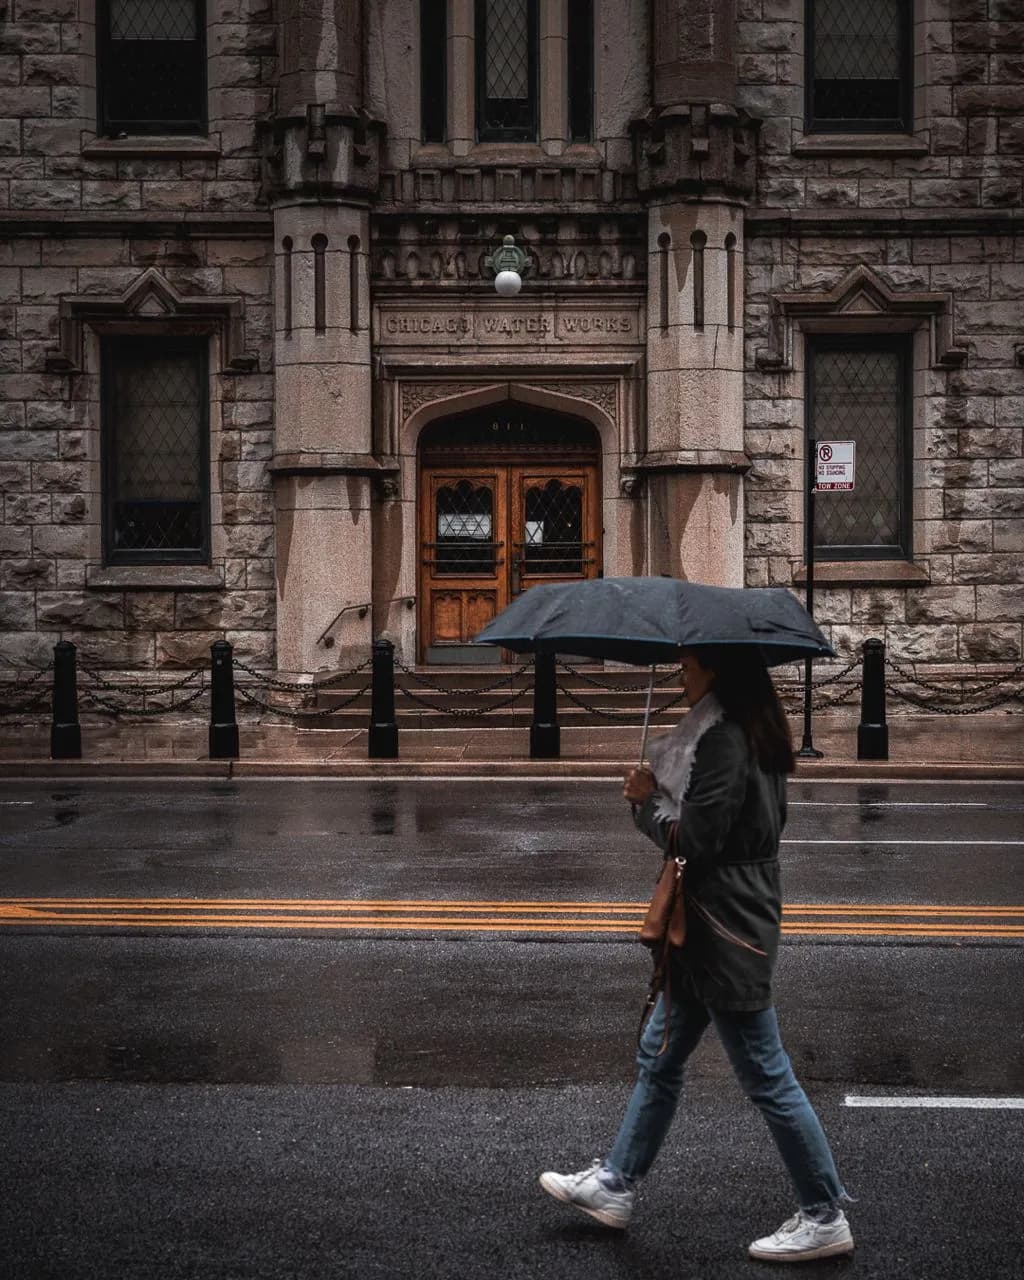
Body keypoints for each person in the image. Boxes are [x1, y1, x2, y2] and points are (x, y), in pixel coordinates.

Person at [539, 646, 854, 1263]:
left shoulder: (726, 740)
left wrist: (645, 802)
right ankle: (616, 1185)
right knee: (659, 1055)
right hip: (717, 919)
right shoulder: (753, 730)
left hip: (723, 924)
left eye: (688, 666)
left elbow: (696, 840)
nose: (681, 675)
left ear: (715, 670)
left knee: (766, 1074)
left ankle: (824, 1214)